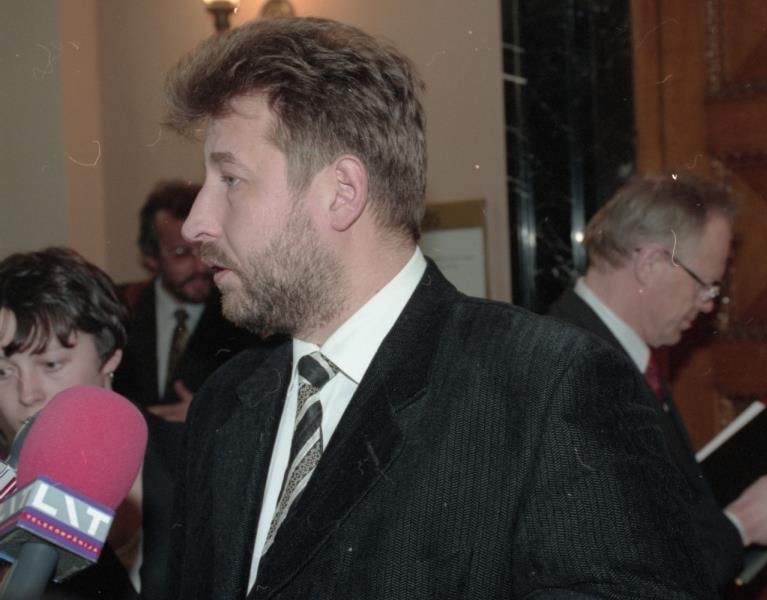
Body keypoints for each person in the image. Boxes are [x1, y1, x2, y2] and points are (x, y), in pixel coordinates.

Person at [164, 17, 713, 599]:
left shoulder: (548, 387)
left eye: (230, 179)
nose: (197, 222)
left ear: (342, 192)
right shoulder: (225, 403)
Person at [547, 172, 767, 593]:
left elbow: (652, 512)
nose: (708, 306)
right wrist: (742, 525)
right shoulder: (573, 371)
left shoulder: (614, 349)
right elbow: (619, 565)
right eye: (704, 286)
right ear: (650, 264)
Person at [0, 247, 139, 599]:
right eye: (3, 372)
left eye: (51, 364)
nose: (27, 394)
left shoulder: (196, 458)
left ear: (109, 357)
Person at [112, 180, 257, 423]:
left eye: (205, 249)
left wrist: (206, 413)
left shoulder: (246, 313)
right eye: (181, 254)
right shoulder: (121, 307)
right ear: (151, 258)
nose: (201, 266)